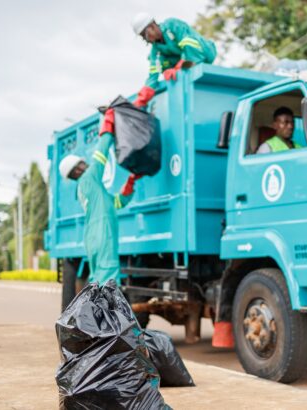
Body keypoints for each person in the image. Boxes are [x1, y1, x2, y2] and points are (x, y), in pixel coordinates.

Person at [58, 109, 141, 284]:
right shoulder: (88, 177)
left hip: (93, 235)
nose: (86, 163)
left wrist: (130, 183)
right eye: (83, 163)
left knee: (98, 280)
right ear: (78, 169)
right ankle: (108, 311)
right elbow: (101, 152)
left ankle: (96, 311)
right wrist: (109, 120)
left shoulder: (89, 189)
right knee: (108, 278)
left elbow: (116, 203)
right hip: (103, 232)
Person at [130, 13, 217, 108]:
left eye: (144, 35)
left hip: (204, 52)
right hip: (188, 68)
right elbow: (152, 77)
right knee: (164, 65)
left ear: (152, 26)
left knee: (189, 48)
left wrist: (177, 69)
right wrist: (140, 100)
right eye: (143, 38)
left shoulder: (172, 26)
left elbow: (192, 50)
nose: (146, 40)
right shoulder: (155, 51)